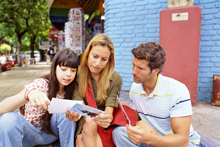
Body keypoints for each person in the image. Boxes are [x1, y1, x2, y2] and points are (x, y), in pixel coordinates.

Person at [112, 42, 202, 147]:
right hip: (149, 139)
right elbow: (135, 118)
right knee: (119, 133)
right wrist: (139, 123)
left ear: (155, 70)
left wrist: (151, 139)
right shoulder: (135, 88)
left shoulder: (177, 91)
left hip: (175, 144)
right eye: (133, 65)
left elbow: (182, 140)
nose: (133, 71)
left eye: (140, 68)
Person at [0, 48, 79, 147]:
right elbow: (1, 108)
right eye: (64, 69)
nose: (68, 74)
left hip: (49, 134)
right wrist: (28, 94)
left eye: (73, 70)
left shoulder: (72, 89)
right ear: (54, 68)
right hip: (28, 134)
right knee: (7, 119)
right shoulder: (41, 84)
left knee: (66, 112)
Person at [66, 33, 123, 147]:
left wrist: (107, 118)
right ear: (88, 54)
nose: (98, 63)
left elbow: (109, 111)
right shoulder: (77, 76)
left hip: (104, 122)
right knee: (89, 123)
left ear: (109, 60)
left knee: (80, 140)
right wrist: (91, 118)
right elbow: (80, 105)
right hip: (83, 118)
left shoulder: (116, 79)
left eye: (104, 59)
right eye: (95, 56)